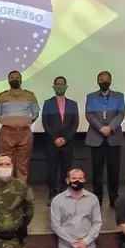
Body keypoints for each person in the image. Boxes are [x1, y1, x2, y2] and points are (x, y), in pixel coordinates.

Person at [85, 71, 125, 208]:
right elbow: (89, 114)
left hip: (113, 137)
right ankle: (97, 199)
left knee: (114, 171)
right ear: (98, 81)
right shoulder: (91, 97)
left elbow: (121, 114)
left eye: (107, 80)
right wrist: (101, 128)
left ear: (111, 81)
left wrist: (110, 128)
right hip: (96, 137)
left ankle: (114, 199)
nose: (104, 82)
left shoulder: (119, 96)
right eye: (101, 80)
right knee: (97, 171)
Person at [0, 71, 39, 182]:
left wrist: (23, 122)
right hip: (7, 133)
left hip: (25, 133)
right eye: (12, 77)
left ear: (21, 79)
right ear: (8, 80)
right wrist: (10, 122)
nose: (15, 79)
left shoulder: (30, 96)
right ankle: (7, 187)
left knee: (23, 163)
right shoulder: (2, 96)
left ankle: (20, 188)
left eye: (17, 77)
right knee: (5, 162)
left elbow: (35, 114)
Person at [42, 76, 79, 204]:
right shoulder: (48, 103)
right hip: (52, 143)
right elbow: (45, 123)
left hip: (68, 143)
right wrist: (54, 139)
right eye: (57, 84)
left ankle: (65, 194)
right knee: (51, 171)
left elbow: (75, 124)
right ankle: (52, 195)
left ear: (66, 86)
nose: (60, 86)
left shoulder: (73, 104)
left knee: (66, 170)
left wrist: (66, 139)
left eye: (62, 84)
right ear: (53, 87)